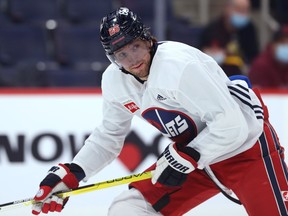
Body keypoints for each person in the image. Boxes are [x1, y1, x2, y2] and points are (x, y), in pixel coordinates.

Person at [32, 7, 288, 216]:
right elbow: (109, 136)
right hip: (196, 160)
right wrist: (74, 172)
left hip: (247, 151)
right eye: (121, 54)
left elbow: (232, 125)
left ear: (148, 39)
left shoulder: (180, 66)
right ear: (113, 59)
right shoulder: (114, 81)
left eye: (135, 47)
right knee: (128, 209)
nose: (132, 59)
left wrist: (188, 156)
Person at [198, 0, 259, 65]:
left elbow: (254, 55)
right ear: (227, 8)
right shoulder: (212, 30)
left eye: (245, 10)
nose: (242, 14)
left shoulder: (249, 28)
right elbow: (203, 52)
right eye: (239, 9)